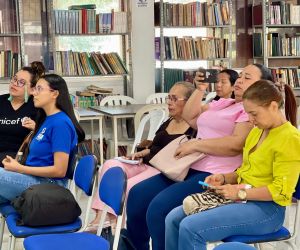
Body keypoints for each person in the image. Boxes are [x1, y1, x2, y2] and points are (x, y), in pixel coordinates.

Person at [125, 64, 273, 250]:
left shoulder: (249, 112)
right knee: (137, 194)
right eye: (240, 75)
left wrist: (196, 144)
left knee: (159, 209)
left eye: (247, 77)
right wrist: (200, 88)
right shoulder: (224, 103)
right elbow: (189, 116)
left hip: (215, 173)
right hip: (189, 166)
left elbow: (236, 145)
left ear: (263, 86)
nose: (240, 81)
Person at [165, 80, 299, 250]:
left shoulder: (290, 139)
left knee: (191, 227)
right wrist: (223, 178)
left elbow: (280, 191)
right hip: (245, 199)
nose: (250, 119)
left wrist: (240, 192)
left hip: (267, 211)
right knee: (173, 218)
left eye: (254, 114)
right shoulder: (258, 131)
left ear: (273, 106)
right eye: (247, 114)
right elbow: (245, 171)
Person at [85, 82, 195, 231]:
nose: (169, 102)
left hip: (162, 168)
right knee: (110, 165)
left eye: (174, 99)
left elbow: (175, 155)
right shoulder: (169, 120)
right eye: (168, 98)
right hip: (146, 161)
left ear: (189, 102)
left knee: (129, 185)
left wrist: (150, 154)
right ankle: (102, 218)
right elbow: (156, 145)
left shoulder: (193, 129)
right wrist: (143, 152)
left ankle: (120, 226)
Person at [0, 74, 85, 204]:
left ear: (54, 94)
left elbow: (59, 170)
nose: (33, 93)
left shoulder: (60, 123)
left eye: (39, 89)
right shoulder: (46, 119)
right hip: (33, 179)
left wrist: (19, 168)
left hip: (49, 186)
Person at [0, 61, 45, 166]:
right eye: (14, 79)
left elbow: (48, 136)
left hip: (19, 157)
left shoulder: (37, 106)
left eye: (21, 82)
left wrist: (36, 128)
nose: (15, 84)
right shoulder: (1, 101)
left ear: (33, 89)